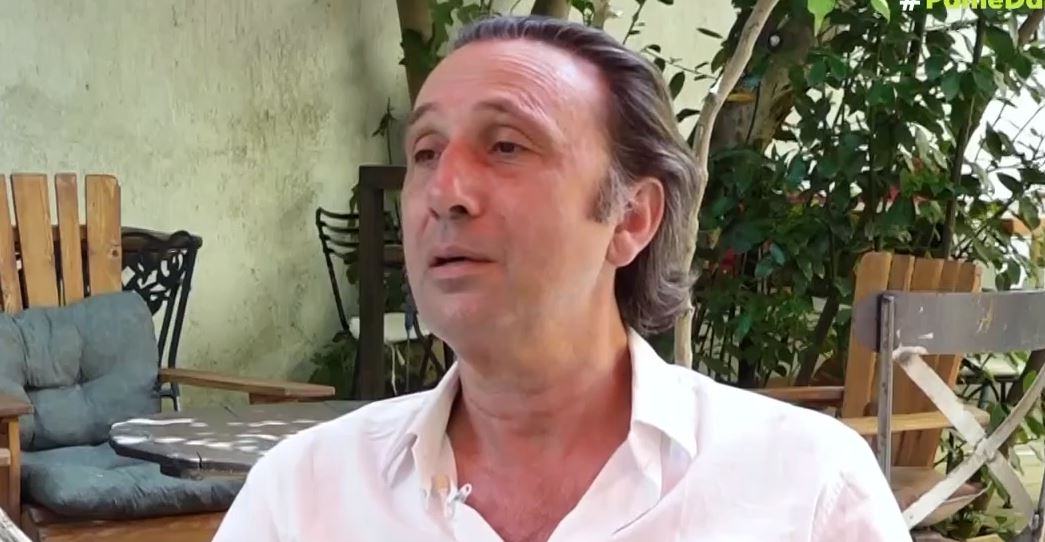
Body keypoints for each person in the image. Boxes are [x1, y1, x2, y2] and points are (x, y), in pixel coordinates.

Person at [212, 14, 910, 542]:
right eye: (425, 152)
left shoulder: (805, 490)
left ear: (631, 217)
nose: (445, 191)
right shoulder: (305, 496)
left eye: (506, 145)